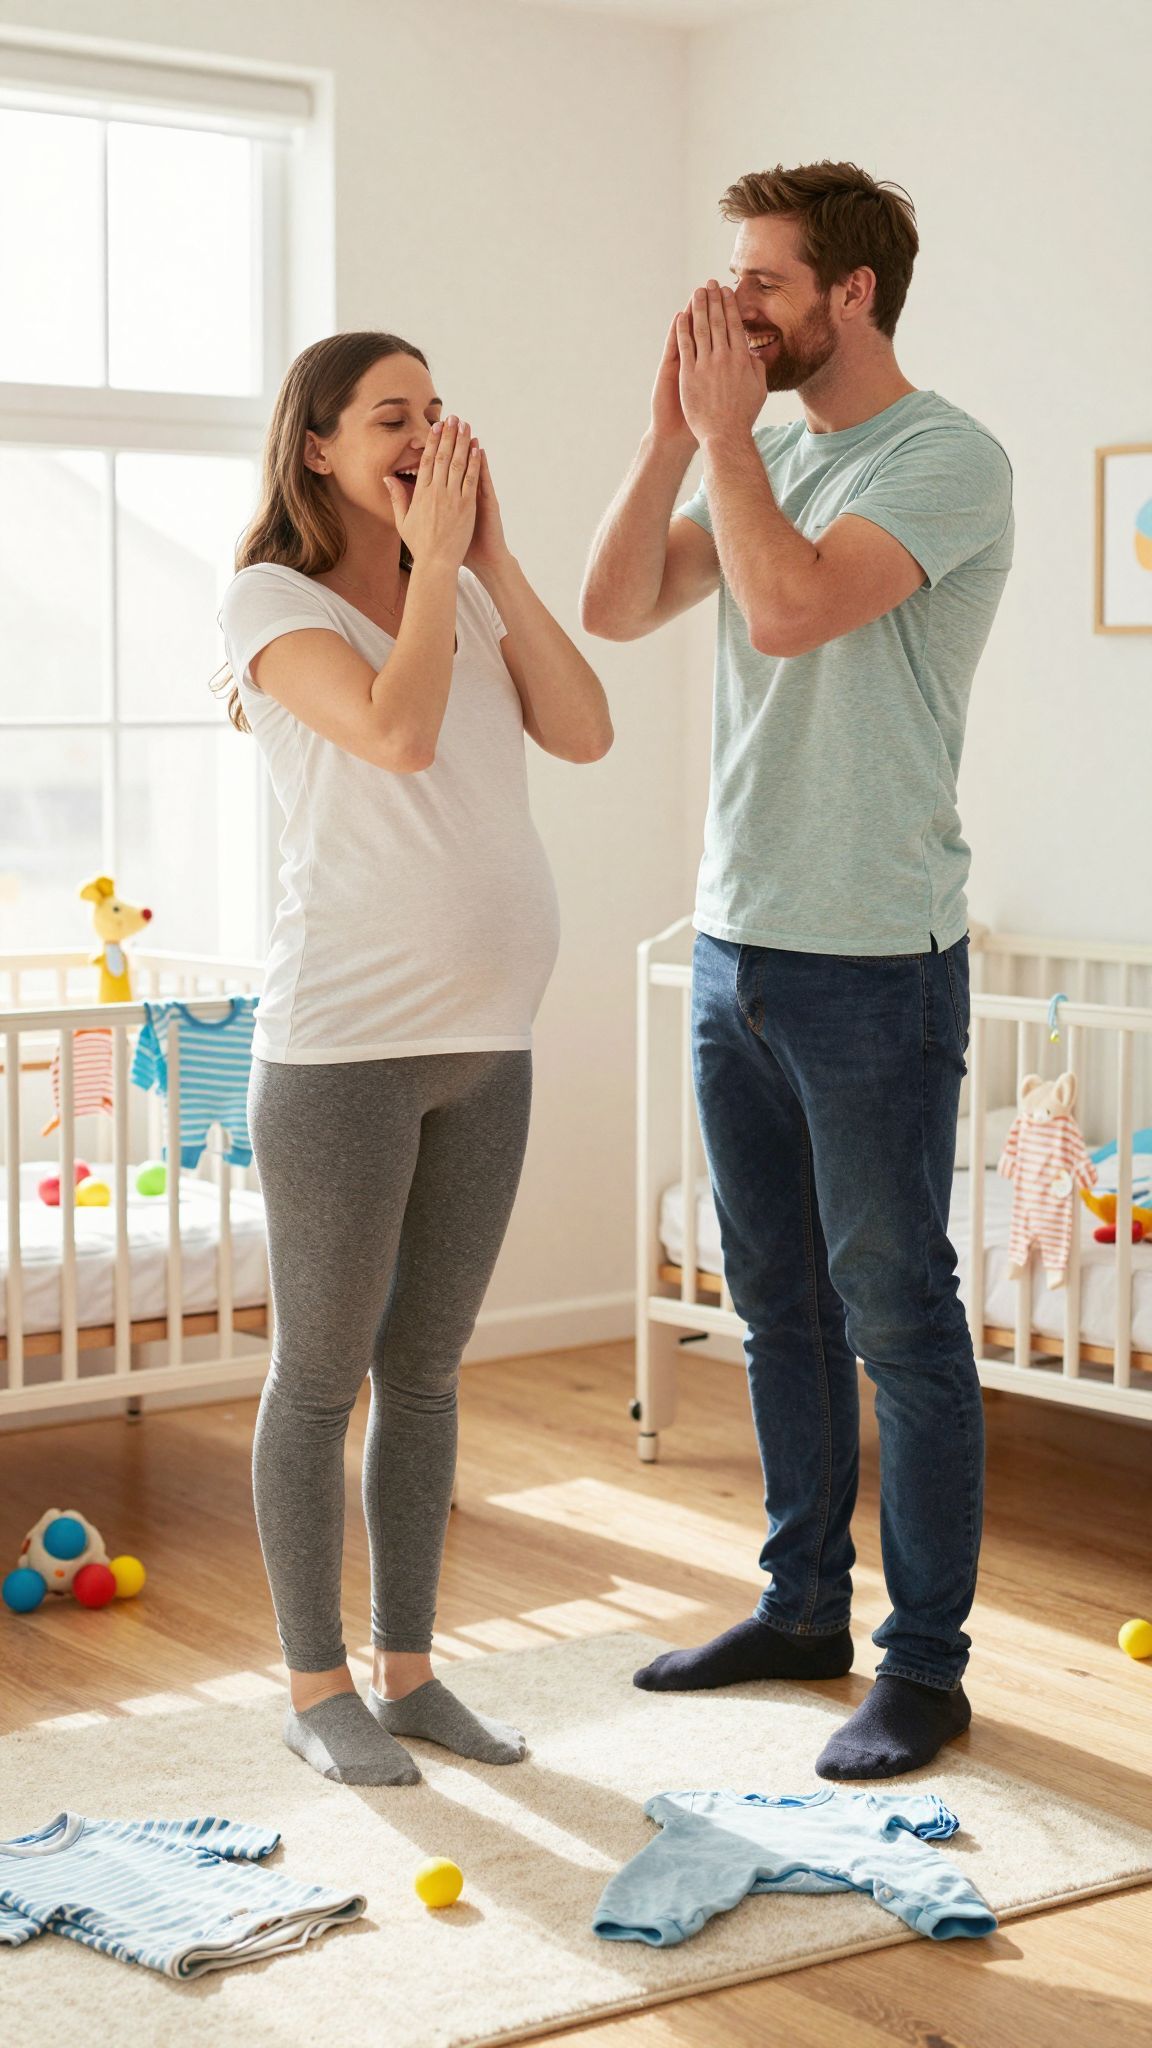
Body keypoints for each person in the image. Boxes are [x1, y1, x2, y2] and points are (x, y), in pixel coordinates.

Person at [582, 161, 1013, 1780]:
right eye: (732, 277)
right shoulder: (750, 452)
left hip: (874, 960)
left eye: (763, 279)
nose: (734, 305)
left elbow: (788, 613)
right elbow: (616, 604)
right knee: (773, 1305)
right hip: (735, 943)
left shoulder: (944, 458)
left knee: (896, 1311)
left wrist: (721, 445)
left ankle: (925, 1669)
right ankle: (799, 1609)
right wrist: (666, 437)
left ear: (852, 293)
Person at [217, 331, 612, 1786]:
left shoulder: (467, 590)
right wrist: (434, 566)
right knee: (321, 1377)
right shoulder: (270, 602)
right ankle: (315, 1685)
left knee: (428, 1373)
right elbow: (396, 734)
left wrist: (487, 558)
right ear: (318, 446)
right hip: (344, 1052)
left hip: (487, 1045)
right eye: (394, 416)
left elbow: (588, 730)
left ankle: (410, 1672)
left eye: (437, 412)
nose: (427, 435)